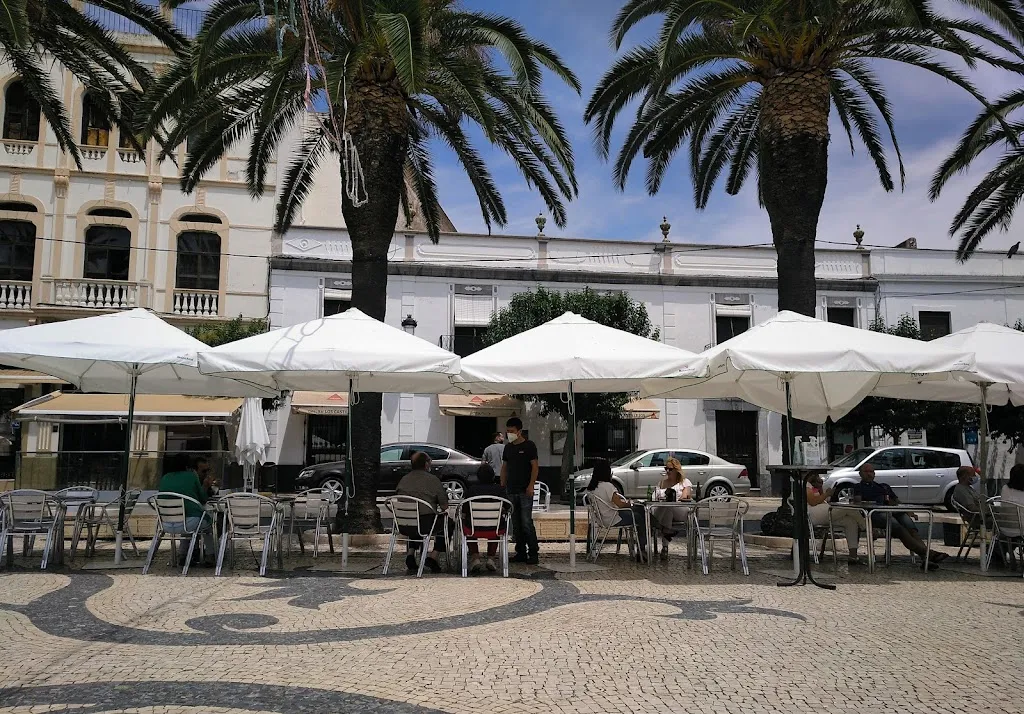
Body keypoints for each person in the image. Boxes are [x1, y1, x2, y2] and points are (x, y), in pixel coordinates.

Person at [852, 463, 947, 570]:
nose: (870, 474)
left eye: (872, 472)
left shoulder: (883, 486)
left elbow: (897, 502)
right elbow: (858, 504)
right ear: (860, 474)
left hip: (893, 511)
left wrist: (907, 511)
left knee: (909, 525)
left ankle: (926, 558)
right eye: (867, 472)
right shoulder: (858, 487)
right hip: (875, 514)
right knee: (896, 525)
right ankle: (927, 553)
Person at [157, 451, 215, 566]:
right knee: (208, 524)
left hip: (165, 523)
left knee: (186, 518)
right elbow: (202, 499)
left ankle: (183, 555)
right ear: (188, 466)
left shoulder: (165, 478)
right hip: (189, 523)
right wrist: (205, 486)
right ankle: (210, 556)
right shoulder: (191, 476)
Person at [395, 451, 449, 574]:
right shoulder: (432, 480)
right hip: (425, 525)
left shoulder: (404, 479)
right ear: (425, 464)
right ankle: (433, 556)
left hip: (404, 525)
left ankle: (411, 553)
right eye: (429, 462)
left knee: (415, 520)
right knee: (448, 523)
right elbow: (445, 506)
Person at [500, 417, 540, 564]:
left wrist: (531, 485)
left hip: (524, 490)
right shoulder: (508, 447)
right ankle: (520, 552)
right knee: (515, 523)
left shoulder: (529, 446)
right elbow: (504, 467)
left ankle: (533, 552)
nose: (509, 434)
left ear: (519, 431)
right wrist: (502, 485)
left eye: (511, 431)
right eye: (507, 431)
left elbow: (535, 467)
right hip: (511, 490)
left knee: (526, 522)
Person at [806, 472, 864, 565]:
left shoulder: (812, 486)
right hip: (814, 514)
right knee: (847, 509)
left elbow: (821, 499)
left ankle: (853, 555)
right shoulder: (804, 485)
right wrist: (826, 494)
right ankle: (867, 528)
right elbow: (813, 502)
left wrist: (821, 489)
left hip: (823, 511)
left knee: (850, 522)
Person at [463, 463, 506, 575]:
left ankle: (475, 557)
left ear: (478, 476)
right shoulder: (499, 490)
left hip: (474, 529)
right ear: (492, 476)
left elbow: (464, 508)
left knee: (468, 525)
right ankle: (491, 558)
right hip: (495, 529)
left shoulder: (472, 490)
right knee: (497, 523)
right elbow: (508, 507)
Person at [650, 458, 692, 557]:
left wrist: (672, 497)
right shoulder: (662, 483)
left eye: (670, 469)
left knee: (668, 506)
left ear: (676, 470)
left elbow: (684, 497)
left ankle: (657, 527)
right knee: (667, 508)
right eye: (666, 469)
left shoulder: (684, 482)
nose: (667, 471)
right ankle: (665, 544)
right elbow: (653, 498)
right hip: (664, 510)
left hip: (680, 510)